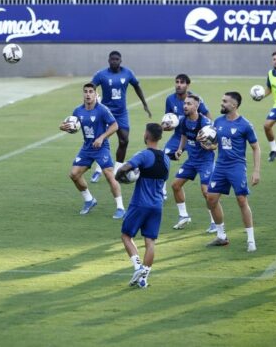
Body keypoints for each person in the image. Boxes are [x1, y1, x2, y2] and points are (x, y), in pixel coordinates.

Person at [205, 92, 261, 252]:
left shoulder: (245, 125)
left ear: (234, 105)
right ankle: (221, 236)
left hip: (236, 166)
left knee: (242, 200)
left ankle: (251, 240)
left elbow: (256, 147)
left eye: (225, 101)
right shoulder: (218, 121)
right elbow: (215, 142)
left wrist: (256, 171)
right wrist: (209, 145)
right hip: (220, 166)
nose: (221, 103)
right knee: (211, 199)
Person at [116, 123, 170, 289]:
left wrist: (119, 176)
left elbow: (126, 167)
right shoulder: (166, 158)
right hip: (157, 204)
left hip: (140, 203)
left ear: (147, 136)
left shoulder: (144, 155)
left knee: (126, 235)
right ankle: (143, 279)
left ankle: (138, 266)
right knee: (150, 242)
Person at [60, 83, 126, 218]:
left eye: (91, 92)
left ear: (96, 94)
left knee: (109, 175)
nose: (88, 94)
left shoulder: (102, 110)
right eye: (86, 92)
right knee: (74, 174)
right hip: (87, 148)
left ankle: (120, 207)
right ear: (83, 94)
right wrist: (64, 127)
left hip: (101, 148)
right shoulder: (78, 111)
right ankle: (89, 200)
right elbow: (71, 124)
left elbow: (115, 125)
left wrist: (102, 137)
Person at [90, 51, 152, 183]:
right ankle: (98, 169)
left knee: (124, 141)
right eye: (112, 59)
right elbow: (91, 87)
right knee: (101, 140)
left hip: (121, 113)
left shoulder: (128, 73)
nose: (114, 61)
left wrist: (145, 104)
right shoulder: (101, 74)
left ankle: (117, 170)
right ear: (108, 61)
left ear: (120, 60)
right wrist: (93, 98)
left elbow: (137, 86)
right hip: (106, 112)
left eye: (117, 59)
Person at [170, 95, 216, 232]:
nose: (185, 106)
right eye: (184, 103)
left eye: (189, 104)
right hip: (192, 160)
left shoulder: (205, 123)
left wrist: (210, 147)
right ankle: (183, 216)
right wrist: (180, 149)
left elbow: (215, 144)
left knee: (206, 192)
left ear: (196, 107)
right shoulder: (183, 121)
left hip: (205, 161)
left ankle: (215, 221)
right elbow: (184, 135)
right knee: (175, 185)